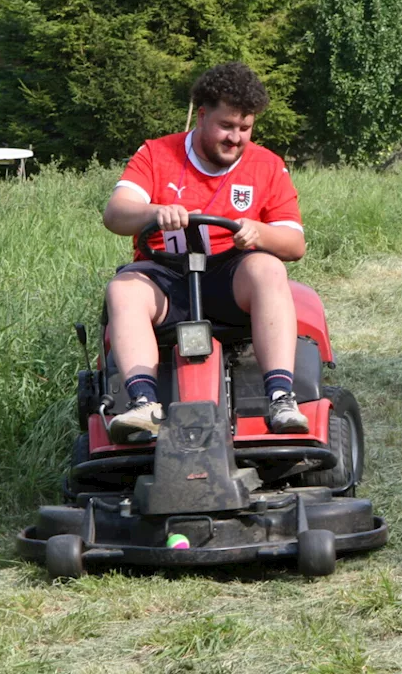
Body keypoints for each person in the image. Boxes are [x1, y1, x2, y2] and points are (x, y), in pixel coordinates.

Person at [102, 62, 309, 442]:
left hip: (231, 281)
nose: (236, 138)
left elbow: (295, 244)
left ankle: (281, 397)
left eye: (245, 128)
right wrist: (154, 212)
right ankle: (143, 403)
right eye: (226, 126)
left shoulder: (268, 165)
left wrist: (259, 232)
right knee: (123, 287)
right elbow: (115, 214)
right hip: (166, 278)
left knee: (268, 268)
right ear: (201, 116)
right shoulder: (155, 154)